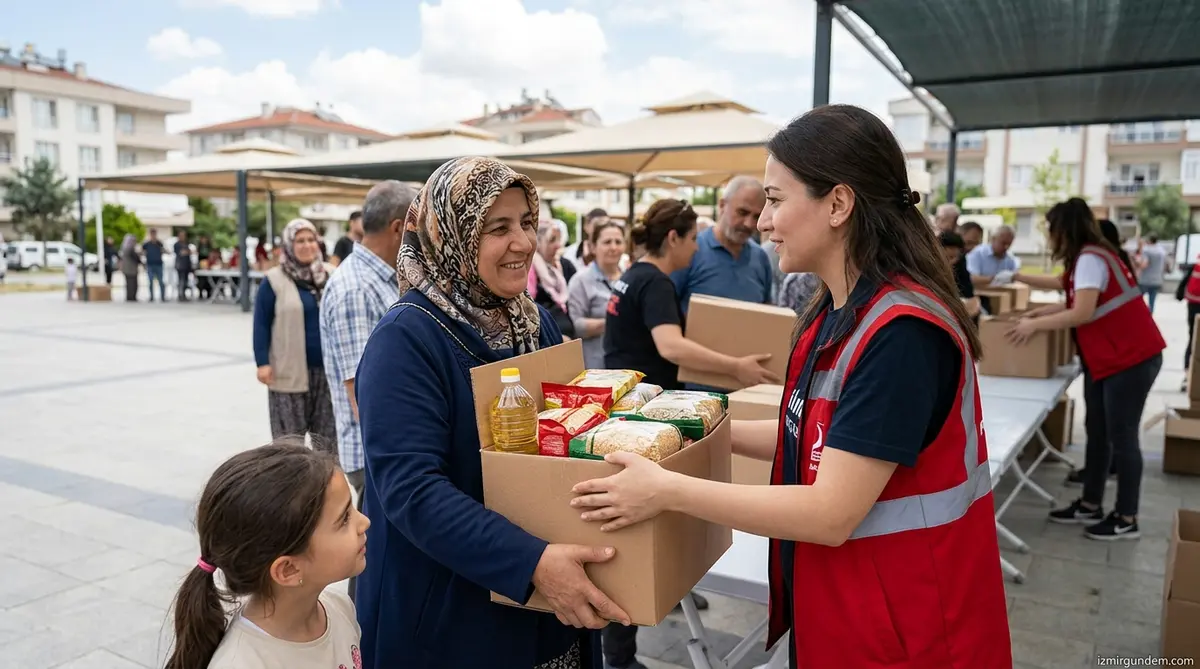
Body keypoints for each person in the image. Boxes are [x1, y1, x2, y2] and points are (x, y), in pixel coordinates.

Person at [572, 105, 1012, 668]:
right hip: (853, 608)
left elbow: (830, 512)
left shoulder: (901, 335)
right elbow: (807, 437)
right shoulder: (836, 309)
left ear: (838, 203)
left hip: (911, 628)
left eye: (776, 200)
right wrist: (684, 426)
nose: (762, 221)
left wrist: (665, 491)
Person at [353, 157, 626, 669]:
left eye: (526, 222)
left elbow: (565, 434)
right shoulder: (406, 340)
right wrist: (531, 562)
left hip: (549, 606)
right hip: (454, 618)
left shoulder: (531, 321)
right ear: (452, 236)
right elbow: (411, 489)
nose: (523, 242)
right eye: (497, 228)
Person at [1009, 198, 1164, 539]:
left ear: (1064, 230)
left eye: (1052, 229)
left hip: (1129, 358)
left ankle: (1127, 517)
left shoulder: (1092, 258)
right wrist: (1040, 314)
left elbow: (1081, 313)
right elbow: (1077, 300)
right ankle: (1090, 503)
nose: (1050, 236)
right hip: (1109, 359)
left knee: (1122, 437)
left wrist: (1034, 326)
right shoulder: (1090, 258)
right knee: (1099, 429)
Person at [164, 440, 369, 669]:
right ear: (288, 569)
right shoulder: (242, 663)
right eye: (344, 520)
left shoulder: (339, 608)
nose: (365, 522)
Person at [320, 180, 415, 602]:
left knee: (374, 550)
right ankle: (364, 637)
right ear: (399, 228)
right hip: (375, 450)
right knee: (370, 555)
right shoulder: (357, 287)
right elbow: (364, 394)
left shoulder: (379, 277)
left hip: (382, 447)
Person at [604, 199, 779, 393]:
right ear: (673, 239)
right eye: (693, 238)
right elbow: (671, 347)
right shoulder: (656, 283)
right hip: (644, 400)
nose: (696, 248)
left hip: (628, 392)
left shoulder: (635, 274)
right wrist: (736, 367)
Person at [252, 219, 337, 453]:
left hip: (328, 373)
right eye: (300, 240)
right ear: (289, 245)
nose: (307, 245)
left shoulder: (331, 275)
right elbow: (261, 323)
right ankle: (292, 488)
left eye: (311, 240)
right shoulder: (273, 280)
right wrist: (262, 363)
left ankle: (326, 488)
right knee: (289, 445)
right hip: (288, 372)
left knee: (328, 442)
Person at [671, 176, 772, 316]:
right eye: (742, 212)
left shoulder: (760, 257)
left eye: (757, 216)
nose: (749, 224)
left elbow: (767, 312)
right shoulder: (690, 250)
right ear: (722, 205)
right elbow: (666, 309)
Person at [567, 221, 626, 369]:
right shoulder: (580, 280)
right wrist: (614, 322)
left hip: (627, 365)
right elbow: (576, 326)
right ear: (593, 247)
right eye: (607, 242)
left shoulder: (629, 278)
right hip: (596, 367)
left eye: (618, 242)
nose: (613, 247)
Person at [528, 218, 578, 339]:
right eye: (551, 240)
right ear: (538, 243)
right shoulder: (529, 268)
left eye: (559, 239)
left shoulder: (564, 266)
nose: (558, 245)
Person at [938, 230, 981, 322]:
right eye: (947, 257)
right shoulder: (930, 266)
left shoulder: (960, 263)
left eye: (955, 257)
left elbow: (967, 290)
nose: (951, 262)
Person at [966, 224, 1019, 289]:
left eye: (1009, 244)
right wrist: (995, 278)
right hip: (979, 294)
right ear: (993, 239)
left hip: (1003, 296)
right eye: (1003, 243)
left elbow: (1015, 280)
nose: (1006, 247)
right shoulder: (978, 253)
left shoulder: (1010, 259)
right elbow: (971, 278)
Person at [562, 208, 609, 274]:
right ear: (586, 226)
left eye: (606, 226)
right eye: (597, 225)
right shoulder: (570, 253)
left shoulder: (618, 256)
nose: (602, 230)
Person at [1135, 234, 1166, 313]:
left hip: (1145, 279)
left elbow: (1144, 264)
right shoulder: (1161, 251)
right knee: (1152, 301)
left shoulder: (1147, 250)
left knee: (1138, 299)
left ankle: (1138, 314)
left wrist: (1137, 264)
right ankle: (1150, 316)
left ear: (1149, 240)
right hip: (1157, 279)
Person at [142, 228, 167, 302]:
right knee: (150, 281)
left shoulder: (159, 243)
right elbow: (142, 251)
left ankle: (162, 296)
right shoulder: (147, 244)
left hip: (159, 264)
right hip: (150, 264)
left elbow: (164, 250)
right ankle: (151, 297)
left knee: (161, 281)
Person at [119, 234, 141, 302]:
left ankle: (129, 297)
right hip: (131, 270)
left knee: (129, 284)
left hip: (126, 269)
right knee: (132, 284)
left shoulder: (124, 248)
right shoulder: (130, 249)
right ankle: (132, 297)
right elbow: (136, 259)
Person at [175, 230, 193, 302]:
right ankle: (180, 295)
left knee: (185, 281)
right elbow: (182, 253)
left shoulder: (186, 243)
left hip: (187, 265)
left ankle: (184, 295)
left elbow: (189, 252)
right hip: (180, 266)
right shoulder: (177, 244)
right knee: (181, 281)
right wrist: (187, 252)